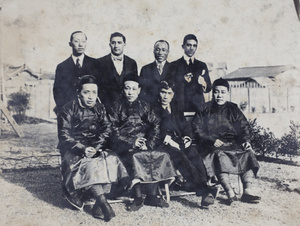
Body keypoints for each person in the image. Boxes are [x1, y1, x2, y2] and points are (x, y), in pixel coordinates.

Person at [57, 75, 129, 222]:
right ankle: (103, 202)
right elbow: (64, 135)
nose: (91, 97)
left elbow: (107, 128)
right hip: (73, 149)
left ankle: (98, 203)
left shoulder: (100, 108)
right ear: (78, 93)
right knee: (89, 164)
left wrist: (95, 147)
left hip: (95, 146)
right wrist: (83, 149)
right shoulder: (67, 109)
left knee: (110, 160)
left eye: (94, 92)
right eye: (86, 92)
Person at [108, 73, 177, 211]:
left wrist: (148, 143)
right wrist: (132, 142)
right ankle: (138, 196)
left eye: (134, 89)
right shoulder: (115, 107)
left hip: (144, 144)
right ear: (123, 89)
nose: (130, 92)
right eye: (127, 88)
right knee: (135, 157)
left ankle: (152, 195)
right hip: (123, 145)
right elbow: (112, 131)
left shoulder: (145, 106)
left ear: (139, 90)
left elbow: (156, 125)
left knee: (158, 154)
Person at [192, 78, 261, 205]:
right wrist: (211, 139)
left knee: (247, 153)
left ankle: (247, 191)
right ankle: (229, 191)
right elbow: (197, 129)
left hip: (232, 143)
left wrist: (245, 141)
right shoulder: (205, 108)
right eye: (217, 92)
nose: (219, 95)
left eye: (223, 92)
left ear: (228, 93)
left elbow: (244, 127)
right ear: (213, 93)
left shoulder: (233, 108)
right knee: (219, 155)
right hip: (211, 145)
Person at [153, 81, 215, 207]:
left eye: (169, 93)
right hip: (162, 144)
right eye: (163, 92)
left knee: (193, 153)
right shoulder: (153, 109)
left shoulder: (176, 108)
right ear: (158, 93)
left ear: (173, 94)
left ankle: (203, 188)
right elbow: (154, 131)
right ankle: (204, 191)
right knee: (180, 157)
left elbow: (185, 126)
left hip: (178, 141)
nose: (165, 96)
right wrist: (169, 141)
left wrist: (187, 138)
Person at [53, 31, 97, 115]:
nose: (80, 45)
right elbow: (57, 91)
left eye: (83, 41)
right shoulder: (62, 67)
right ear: (70, 44)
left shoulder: (95, 63)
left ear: (86, 43)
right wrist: (63, 110)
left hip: (91, 112)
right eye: (76, 41)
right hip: (70, 112)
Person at [96, 32, 138, 114]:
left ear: (124, 44)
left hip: (127, 108)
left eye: (119, 42)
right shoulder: (99, 62)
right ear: (109, 44)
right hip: (106, 107)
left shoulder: (132, 62)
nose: (116, 46)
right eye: (113, 43)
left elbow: (135, 85)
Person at [171, 34, 211, 112]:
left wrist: (204, 84)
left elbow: (209, 87)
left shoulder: (202, 65)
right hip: (179, 108)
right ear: (183, 46)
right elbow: (170, 86)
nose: (191, 48)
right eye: (188, 45)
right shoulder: (174, 65)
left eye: (194, 46)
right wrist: (182, 79)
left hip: (198, 108)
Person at [139, 40, 176, 105]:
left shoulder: (175, 69)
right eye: (157, 49)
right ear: (153, 51)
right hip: (150, 107)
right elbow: (142, 92)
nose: (160, 53)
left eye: (163, 50)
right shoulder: (145, 69)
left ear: (168, 52)